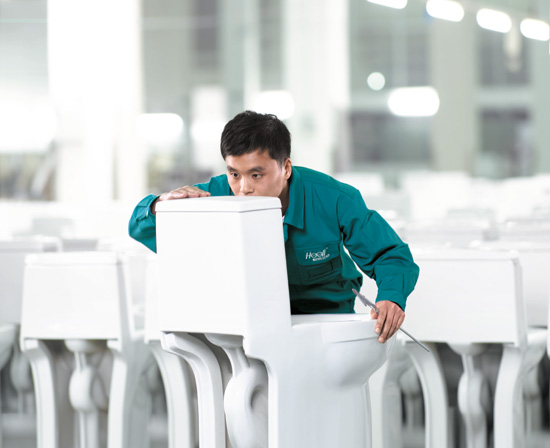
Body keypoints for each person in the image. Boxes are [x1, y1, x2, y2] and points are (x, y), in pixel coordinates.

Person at [129, 110, 419, 343]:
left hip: (326, 323)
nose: (244, 188)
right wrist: (160, 205)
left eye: (256, 175)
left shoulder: (335, 199)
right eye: (234, 174)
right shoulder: (214, 196)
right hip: (251, 324)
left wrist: (391, 297)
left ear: (286, 168)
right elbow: (140, 227)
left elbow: (390, 255)